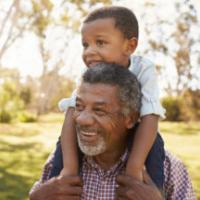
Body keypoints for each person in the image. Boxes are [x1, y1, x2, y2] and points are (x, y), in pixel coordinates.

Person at [29, 63, 196, 200]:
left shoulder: (169, 170)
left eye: (99, 110)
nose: (81, 119)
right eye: (79, 107)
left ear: (130, 118)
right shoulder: (60, 162)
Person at [50, 6, 166, 192]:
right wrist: (69, 168)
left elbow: (150, 116)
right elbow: (72, 113)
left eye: (100, 43)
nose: (89, 51)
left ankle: (154, 193)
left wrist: (134, 167)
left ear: (129, 46)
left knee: (155, 146)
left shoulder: (143, 68)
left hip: (138, 131)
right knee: (62, 150)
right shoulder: (89, 75)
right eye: (85, 45)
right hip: (96, 134)